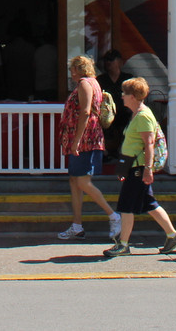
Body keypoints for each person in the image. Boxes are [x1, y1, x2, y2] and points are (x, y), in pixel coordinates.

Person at [104, 77, 176, 257]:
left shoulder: (143, 116)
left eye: (125, 93)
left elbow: (148, 145)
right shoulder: (137, 114)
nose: (122, 96)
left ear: (133, 96)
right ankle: (172, 235)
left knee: (126, 206)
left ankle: (123, 244)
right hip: (134, 167)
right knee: (149, 204)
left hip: (139, 168)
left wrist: (148, 169)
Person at [56, 54, 120, 242]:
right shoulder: (93, 83)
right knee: (75, 181)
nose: (71, 73)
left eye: (72, 69)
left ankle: (114, 216)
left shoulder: (85, 84)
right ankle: (77, 226)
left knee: (82, 182)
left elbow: (85, 112)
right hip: (87, 138)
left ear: (77, 69)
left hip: (85, 139)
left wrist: (76, 141)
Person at [97, 49, 133, 159]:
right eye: (106, 60)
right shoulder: (101, 79)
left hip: (124, 113)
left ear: (119, 62)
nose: (108, 63)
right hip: (107, 115)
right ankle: (105, 152)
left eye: (111, 60)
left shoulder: (128, 79)